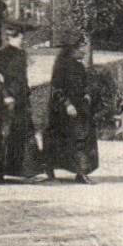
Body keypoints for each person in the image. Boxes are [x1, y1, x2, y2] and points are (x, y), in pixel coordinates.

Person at [0, 20, 40, 182]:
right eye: (18, 36)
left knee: (23, 134)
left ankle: (26, 171)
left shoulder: (22, 55)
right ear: (11, 37)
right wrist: (5, 96)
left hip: (21, 101)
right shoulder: (0, 55)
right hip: (4, 102)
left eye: (21, 36)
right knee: (1, 134)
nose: (21, 40)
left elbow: (23, 80)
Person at [44, 32, 98, 183]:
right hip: (63, 109)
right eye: (81, 47)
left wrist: (87, 94)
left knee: (82, 138)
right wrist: (67, 104)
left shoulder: (79, 66)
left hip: (80, 108)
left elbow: (85, 83)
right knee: (63, 139)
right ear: (72, 49)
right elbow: (56, 88)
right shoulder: (61, 66)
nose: (83, 50)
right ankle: (51, 169)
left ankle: (81, 172)